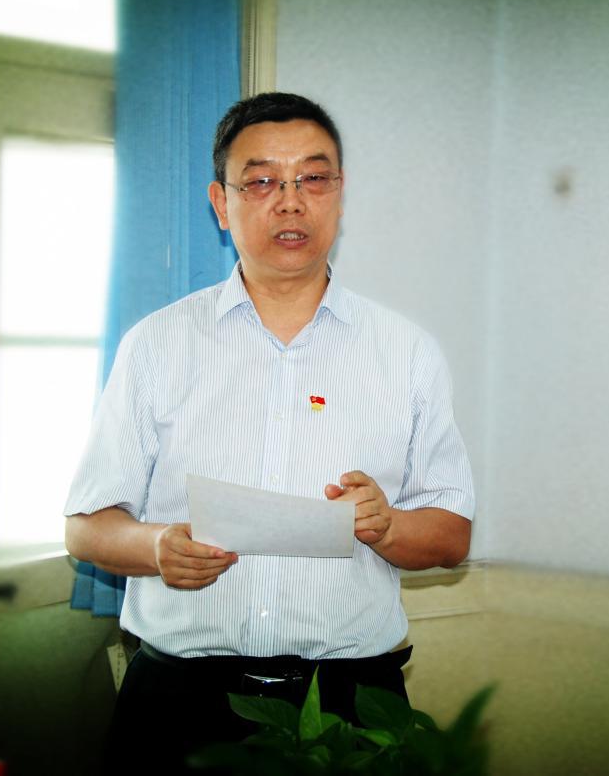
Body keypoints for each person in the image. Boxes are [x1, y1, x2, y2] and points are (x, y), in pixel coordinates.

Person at [64, 92, 475, 773]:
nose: (290, 201)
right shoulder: (157, 346)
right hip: (180, 703)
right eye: (261, 181)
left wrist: (387, 525)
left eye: (313, 178)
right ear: (221, 204)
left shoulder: (406, 353)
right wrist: (156, 546)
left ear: (339, 195)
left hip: (351, 703)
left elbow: (452, 533)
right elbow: (85, 528)